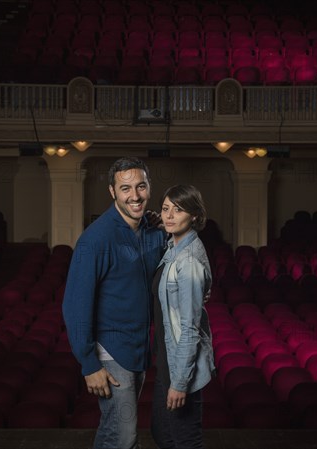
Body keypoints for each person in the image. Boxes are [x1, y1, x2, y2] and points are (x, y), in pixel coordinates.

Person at [62, 156, 166, 449]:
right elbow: (75, 306)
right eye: (125, 188)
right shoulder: (95, 241)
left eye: (141, 186)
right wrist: (88, 363)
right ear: (112, 192)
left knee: (114, 431)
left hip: (138, 345)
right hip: (109, 351)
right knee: (124, 436)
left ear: (149, 187)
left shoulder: (151, 230)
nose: (135, 195)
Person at [151, 185, 215, 449]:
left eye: (179, 210)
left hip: (180, 364)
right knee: (163, 434)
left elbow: (189, 328)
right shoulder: (173, 248)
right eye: (166, 209)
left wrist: (180, 383)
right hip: (167, 357)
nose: (170, 215)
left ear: (195, 216)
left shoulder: (187, 261)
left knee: (184, 440)